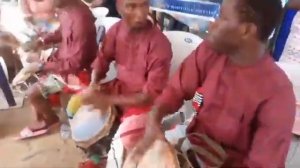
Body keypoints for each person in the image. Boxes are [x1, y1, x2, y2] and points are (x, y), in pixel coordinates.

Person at [126, 0, 296, 167]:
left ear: (246, 30)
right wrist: (154, 120)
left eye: (222, 18)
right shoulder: (211, 51)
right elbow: (175, 91)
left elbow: (263, 164)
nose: (212, 24)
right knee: (127, 145)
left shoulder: (277, 94)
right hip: (191, 144)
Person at [80, 0, 172, 166]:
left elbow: (149, 97)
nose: (140, 14)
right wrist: (93, 84)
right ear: (118, 7)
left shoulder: (160, 44)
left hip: (145, 104)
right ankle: (101, 155)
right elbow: (102, 59)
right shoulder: (116, 30)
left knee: (127, 139)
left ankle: (117, 157)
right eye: (131, 6)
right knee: (82, 104)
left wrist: (106, 100)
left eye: (144, 5)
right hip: (120, 89)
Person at [18, 0, 98, 139]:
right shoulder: (65, 9)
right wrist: (41, 42)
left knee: (34, 93)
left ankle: (59, 122)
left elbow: (74, 65)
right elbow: (62, 31)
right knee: (32, 88)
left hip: (77, 74)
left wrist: (42, 66)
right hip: (63, 66)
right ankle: (52, 119)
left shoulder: (80, 18)